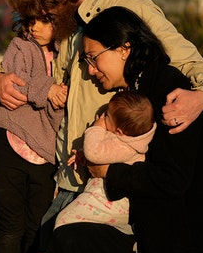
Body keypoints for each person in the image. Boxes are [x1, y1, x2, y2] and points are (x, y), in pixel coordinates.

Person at [0, 0, 203, 253]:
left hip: (109, 183)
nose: (42, 18)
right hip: (68, 176)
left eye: (43, 9)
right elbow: (35, 66)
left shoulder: (132, 9)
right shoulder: (69, 20)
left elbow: (192, 64)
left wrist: (202, 95)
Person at [42, 6, 203, 253]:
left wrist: (109, 172)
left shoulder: (167, 91)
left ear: (124, 49)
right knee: (70, 241)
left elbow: (171, 176)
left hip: (198, 251)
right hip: (174, 245)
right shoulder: (141, 89)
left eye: (93, 58)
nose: (90, 71)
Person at [0, 15, 67, 253]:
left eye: (44, 21)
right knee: (10, 225)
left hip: (46, 151)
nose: (34, 27)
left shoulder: (68, 49)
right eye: (31, 20)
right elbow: (16, 82)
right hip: (12, 141)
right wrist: (48, 88)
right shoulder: (20, 45)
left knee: (37, 225)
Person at [55, 91, 156, 236]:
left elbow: (94, 152)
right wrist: (83, 156)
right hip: (103, 196)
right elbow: (101, 154)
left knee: (65, 220)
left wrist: (97, 128)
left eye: (107, 115)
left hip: (109, 200)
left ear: (119, 131)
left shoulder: (126, 146)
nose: (102, 116)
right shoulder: (125, 139)